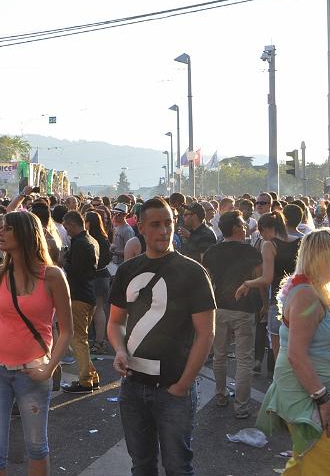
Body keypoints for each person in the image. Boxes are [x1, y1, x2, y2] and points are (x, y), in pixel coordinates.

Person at [107, 197, 216, 475]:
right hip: (133, 385)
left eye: (168, 223)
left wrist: (182, 385)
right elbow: (115, 322)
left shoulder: (193, 272)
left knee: (178, 467)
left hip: (174, 387)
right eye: (155, 224)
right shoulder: (127, 271)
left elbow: (206, 334)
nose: (164, 231)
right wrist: (120, 350)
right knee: (141, 466)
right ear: (141, 227)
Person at [257, 229, 330, 475]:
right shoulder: (306, 296)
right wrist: (322, 401)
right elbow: (296, 355)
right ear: (323, 256)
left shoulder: (318, 289)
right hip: (305, 394)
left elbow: (321, 338)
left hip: (311, 390)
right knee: (325, 466)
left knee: (303, 461)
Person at [0, 211, 73, 475]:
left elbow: (66, 331)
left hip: (32, 372)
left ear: (24, 234)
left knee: (36, 446)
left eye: (7, 229)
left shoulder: (53, 276)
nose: (0, 233)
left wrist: (49, 369)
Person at [204, 210, 262, 419]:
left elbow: (208, 280)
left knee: (219, 355)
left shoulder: (212, 252)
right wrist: (263, 304)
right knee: (244, 358)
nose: (245, 226)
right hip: (245, 308)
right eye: (242, 223)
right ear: (237, 228)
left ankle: (220, 395)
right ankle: (241, 406)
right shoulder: (251, 251)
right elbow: (260, 279)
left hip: (219, 307)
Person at [237, 212, 300, 375]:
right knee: (298, 347)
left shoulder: (269, 245)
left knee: (279, 352)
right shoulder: (301, 240)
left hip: (279, 301)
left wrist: (247, 283)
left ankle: (282, 387)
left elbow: (267, 278)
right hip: (301, 299)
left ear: (264, 229)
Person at [61, 211, 100, 393]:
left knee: (78, 339)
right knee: (80, 338)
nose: (66, 230)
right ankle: (91, 375)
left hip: (79, 295)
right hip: (88, 294)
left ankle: (85, 380)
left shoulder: (81, 244)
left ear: (73, 224)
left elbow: (76, 271)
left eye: (67, 226)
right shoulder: (91, 241)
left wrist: (63, 261)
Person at [85, 211, 112, 355]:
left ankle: (97, 341)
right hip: (104, 275)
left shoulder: (90, 239)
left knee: (95, 310)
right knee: (99, 309)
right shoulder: (104, 237)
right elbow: (107, 258)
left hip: (95, 276)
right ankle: (99, 341)